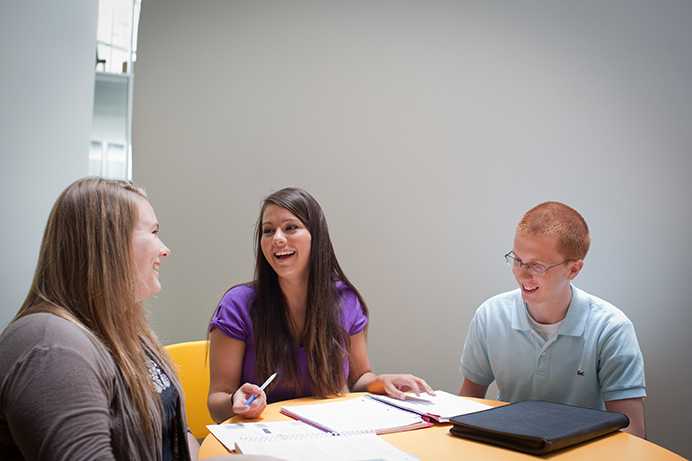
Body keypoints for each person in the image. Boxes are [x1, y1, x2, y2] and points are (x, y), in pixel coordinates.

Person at [0, 178, 274, 461]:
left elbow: (176, 435)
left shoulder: (124, 331)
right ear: (109, 243)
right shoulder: (50, 347)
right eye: (153, 232)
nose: (164, 249)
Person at [208, 187, 432, 422]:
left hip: (330, 434)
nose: (277, 239)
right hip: (262, 438)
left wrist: (381, 382)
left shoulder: (345, 300)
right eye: (268, 231)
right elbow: (217, 400)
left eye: (290, 227)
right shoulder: (237, 305)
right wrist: (235, 402)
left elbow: (359, 379)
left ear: (316, 236)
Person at [459, 201, 646, 438]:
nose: (522, 274)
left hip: (583, 453)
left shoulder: (611, 329)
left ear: (573, 269)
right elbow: (466, 404)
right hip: (509, 447)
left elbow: (633, 433)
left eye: (537, 266)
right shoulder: (490, 315)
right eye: (517, 260)